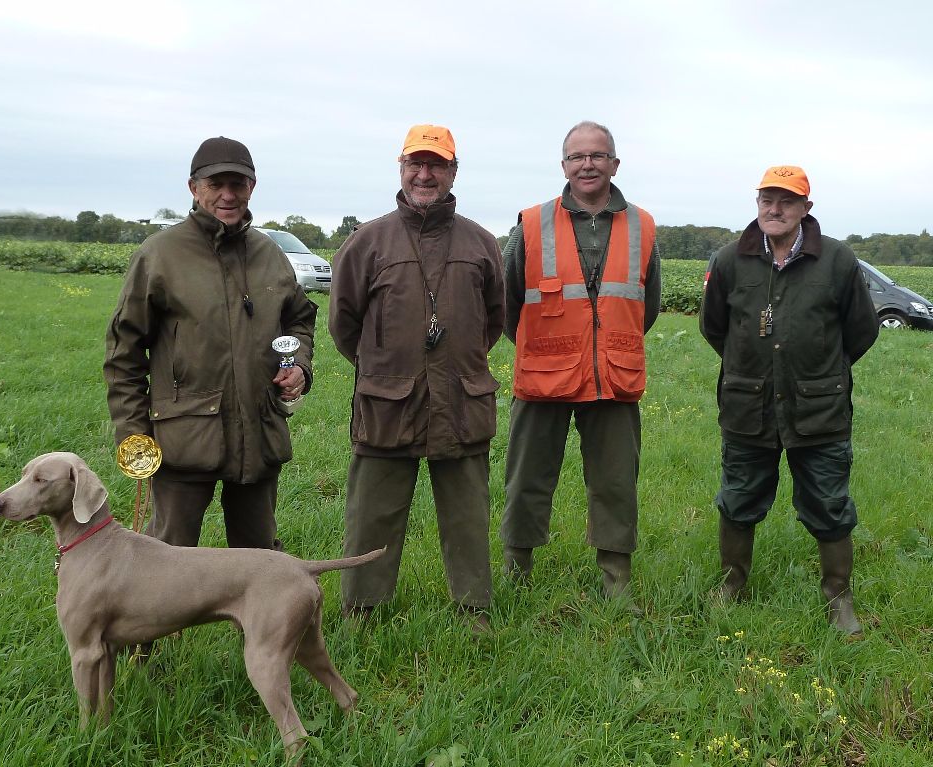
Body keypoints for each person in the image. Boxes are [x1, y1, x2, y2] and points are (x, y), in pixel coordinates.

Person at [328, 124, 505, 629]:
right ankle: (362, 608)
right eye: (416, 164)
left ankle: (474, 609)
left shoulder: (481, 243)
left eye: (437, 164)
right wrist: (385, 369)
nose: (425, 174)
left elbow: (494, 319)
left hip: (462, 398)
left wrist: (458, 363)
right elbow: (344, 323)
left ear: (453, 171)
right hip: (387, 402)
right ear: (401, 168)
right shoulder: (367, 241)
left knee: (468, 514)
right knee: (372, 513)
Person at [104, 136, 317, 550]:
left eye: (238, 184)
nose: (227, 194)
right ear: (193, 188)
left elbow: (299, 317)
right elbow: (123, 351)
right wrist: (134, 435)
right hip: (182, 442)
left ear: (252, 187)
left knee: (259, 569)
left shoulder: (270, 254)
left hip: (259, 434)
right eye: (215, 183)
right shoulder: (159, 255)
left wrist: (300, 366)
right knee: (165, 567)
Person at [699, 165, 879, 635]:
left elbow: (861, 331)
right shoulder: (728, 261)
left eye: (786, 201)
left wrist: (820, 372)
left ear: (806, 208)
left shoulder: (838, 261)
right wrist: (751, 367)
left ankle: (838, 597)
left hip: (819, 409)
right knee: (739, 498)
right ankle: (732, 584)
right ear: (757, 204)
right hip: (747, 407)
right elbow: (714, 328)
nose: (774, 210)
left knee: (829, 503)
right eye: (766, 200)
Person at [499, 121, 661, 607]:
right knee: (527, 477)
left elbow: (645, 306)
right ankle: (516, 572)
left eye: (597, 155)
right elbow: (508, 304)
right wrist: (548, 348)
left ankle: (617, 582)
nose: (586, 164)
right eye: (576, 157)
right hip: (542, 377)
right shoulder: (531, 223)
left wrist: (606, 346)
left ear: (614, 163)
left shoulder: (643, 225)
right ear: (564, 165)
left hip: (614, 378)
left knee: (615, 482)